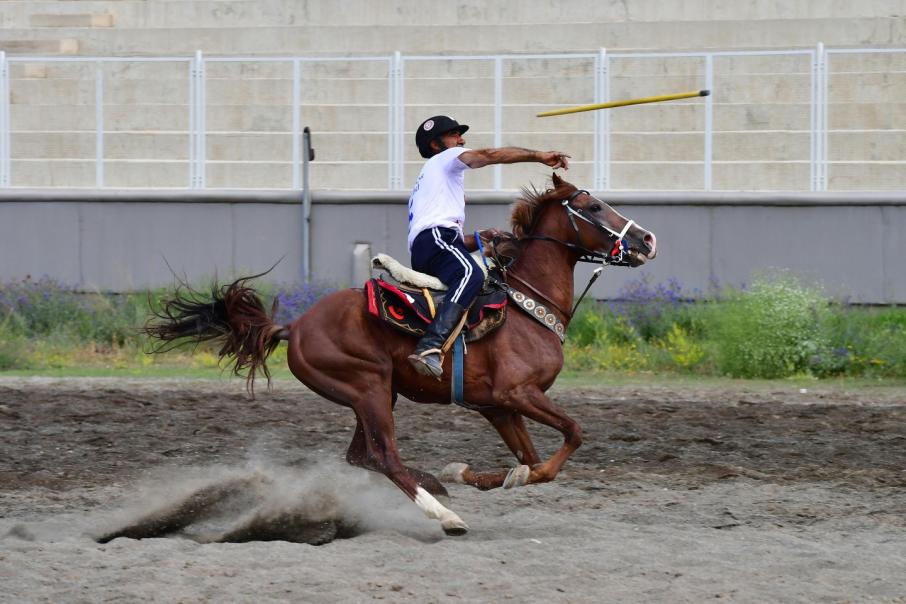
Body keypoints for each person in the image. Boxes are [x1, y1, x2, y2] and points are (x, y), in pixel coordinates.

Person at [407, 115, 570, 378]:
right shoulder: (445, 159)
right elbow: (490, 154)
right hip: (435, 242)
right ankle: (430, 346)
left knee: (488, 280)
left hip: (437, 243)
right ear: (436, 145)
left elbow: (447, 235)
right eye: (453, 135)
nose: (461, 140)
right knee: (471, 274)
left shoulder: (435, 178)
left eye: (460, 135)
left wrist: (480, 238)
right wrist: (539, 155)